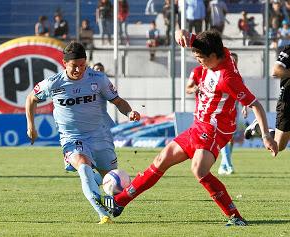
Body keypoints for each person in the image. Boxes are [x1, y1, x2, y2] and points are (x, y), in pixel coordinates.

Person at [98, 30, 278, 226]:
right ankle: (119, 201)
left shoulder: (227, 78)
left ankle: (235, 217)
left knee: (199, 170)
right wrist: (180, 32)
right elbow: (184, 36)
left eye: (200, 58)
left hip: (215, 129)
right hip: (198, 126)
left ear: (212, 56)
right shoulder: (219, 50)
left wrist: (267, 136)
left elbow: (256, 105)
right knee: (160, 160)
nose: (198, 62)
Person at [25, 41, 140, 224]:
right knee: (84, 167)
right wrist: (31, 126)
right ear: (64, 63)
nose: (79, 70)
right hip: (72, 138)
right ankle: (103, 214)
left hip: (100, 136)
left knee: (109, 180)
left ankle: (106, 196)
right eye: (74, 66)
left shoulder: (98, 79)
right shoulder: (53, 83)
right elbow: (31, 99)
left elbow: (117, 101)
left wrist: (130, 112)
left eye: (82, 65)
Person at [245, 44, 290, 152]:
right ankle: (259, 128)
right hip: (287, 101)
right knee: (278, 146)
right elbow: (276, 70)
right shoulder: (289, 49)